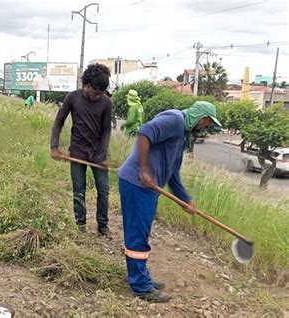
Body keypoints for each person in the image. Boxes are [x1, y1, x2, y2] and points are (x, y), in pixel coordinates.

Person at [118, 101, 222, 302]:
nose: (205, 129)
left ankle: (141, 277)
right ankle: (141, 286)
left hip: (148, 188)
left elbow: (173, 172)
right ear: (202, 119)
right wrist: (145, 170)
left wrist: (185, 200)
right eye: (207, 124)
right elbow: (145, 133)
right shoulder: (175, 119)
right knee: (137, 234)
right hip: (137, 183)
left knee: (142, 232)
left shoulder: (182, 136)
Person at [50, 63, 112, 236]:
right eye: (95, 93)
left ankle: (102, 225)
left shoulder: (106, 103)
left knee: (103, 190)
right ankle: (80, 226)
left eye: (101, 94)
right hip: (78, 151)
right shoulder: (73, 98)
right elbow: (58, 122)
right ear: (87, 85)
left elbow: (106, 129)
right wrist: (54, 146)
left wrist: (104, 152)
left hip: (98, 153)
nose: (97, 97)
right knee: (79, 191)